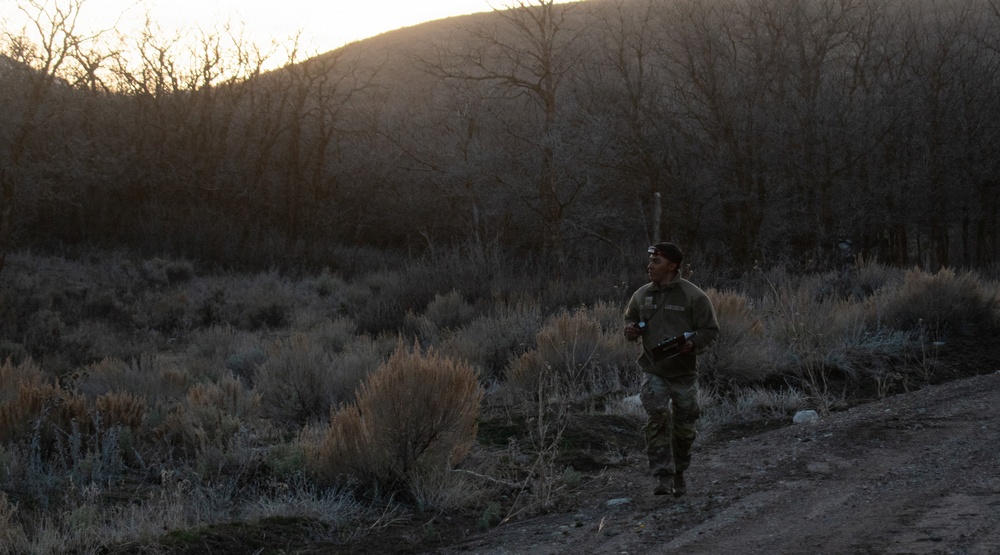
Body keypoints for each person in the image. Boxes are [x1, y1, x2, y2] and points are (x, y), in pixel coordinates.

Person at [624, 242, 719, 496]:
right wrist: (631, 330)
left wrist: (692, 344)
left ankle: (679, 472)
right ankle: (662, 477)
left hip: (684, 373)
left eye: (656, 261)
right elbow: (629, 321)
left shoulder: (694, 296)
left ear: (672, 266)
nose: (650, 266)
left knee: (685, 426)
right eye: (651, 261)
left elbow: (710, 331)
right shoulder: (641, 295)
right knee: (657, 417)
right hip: (654, 369)